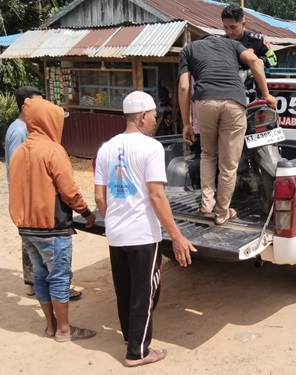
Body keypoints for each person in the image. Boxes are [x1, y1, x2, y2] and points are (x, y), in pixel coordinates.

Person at [94, 91, 197, 367]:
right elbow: (156, 196)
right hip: (142, 235)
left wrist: (114, 221)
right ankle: (137, 352)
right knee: (146, 292)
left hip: (116, 235)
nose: (155, 121)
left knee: (126, 290)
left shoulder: (105, 148)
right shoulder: (150, 148)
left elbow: (99, 198)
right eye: (153, 116)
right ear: (142, 116)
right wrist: (176, 236)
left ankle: (131, 337)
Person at [8, 97, 96, 342]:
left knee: (40, 276)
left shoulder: (19, 153)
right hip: (51, 228)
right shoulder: (53, 151)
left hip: (26, 229)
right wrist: (87, 213)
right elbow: (69, 192)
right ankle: (65, 330)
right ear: (48, 120)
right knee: (58, 277)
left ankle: (51, 326)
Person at [178, 34, 276, 225]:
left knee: (208, 154)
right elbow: (256, 61)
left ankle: (206, 206)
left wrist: (186, 123)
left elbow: (183, 87)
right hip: (234, 101)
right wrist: (266, 94)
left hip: (205, 101)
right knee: (228, 163)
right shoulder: (232, 44)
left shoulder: (188, 49)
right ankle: (222, 212)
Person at [5, 86, 83, 301]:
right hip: (36, 207)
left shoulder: (29, 132)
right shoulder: (22, 132)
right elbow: (18, 171)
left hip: (31, 206)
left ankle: (34, 287)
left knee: (37, 259)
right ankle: (61, 319)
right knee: (48, 262)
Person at [221, 4, 277, 69]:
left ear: (243, 24)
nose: (229, 32)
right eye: (225, 27)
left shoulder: (257, 41)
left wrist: (260, 61)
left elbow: (273, 60)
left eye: (233, 27)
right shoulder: (221, 43)